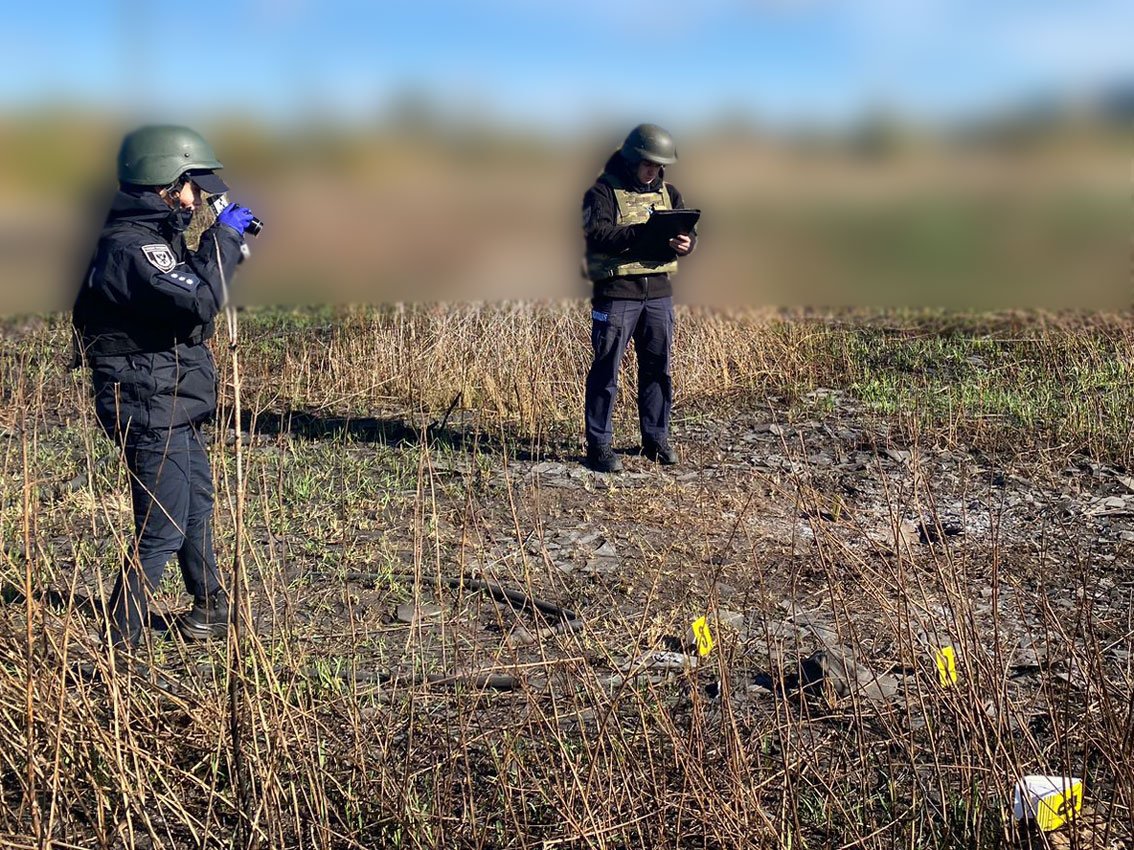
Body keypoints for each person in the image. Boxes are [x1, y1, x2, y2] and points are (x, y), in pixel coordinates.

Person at [72, 125, 258, 651]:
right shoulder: (130, 247)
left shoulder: (155, 233)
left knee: (195, 501)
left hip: (169, 397)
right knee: (162, 527)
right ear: (163, 183)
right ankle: (119, 644)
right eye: (191, 185)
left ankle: (211, 607)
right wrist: (223, 235)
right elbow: (200, 301)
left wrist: (227, 239)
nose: (197, 196)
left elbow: (199, 286)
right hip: (148, 403)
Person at [581, 123, 696, 473]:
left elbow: (689, 234)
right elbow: (598, 234)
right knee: (606, 370)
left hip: (659, 294)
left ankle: (655, 438)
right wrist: (644, 232)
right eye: (648, 163)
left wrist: (688, 244)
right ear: (632, 159)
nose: (654, 171)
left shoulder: (670, 194)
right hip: (617, 295)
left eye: (659, 165)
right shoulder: (600, 193)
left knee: (658, 369)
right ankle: (599, 445)